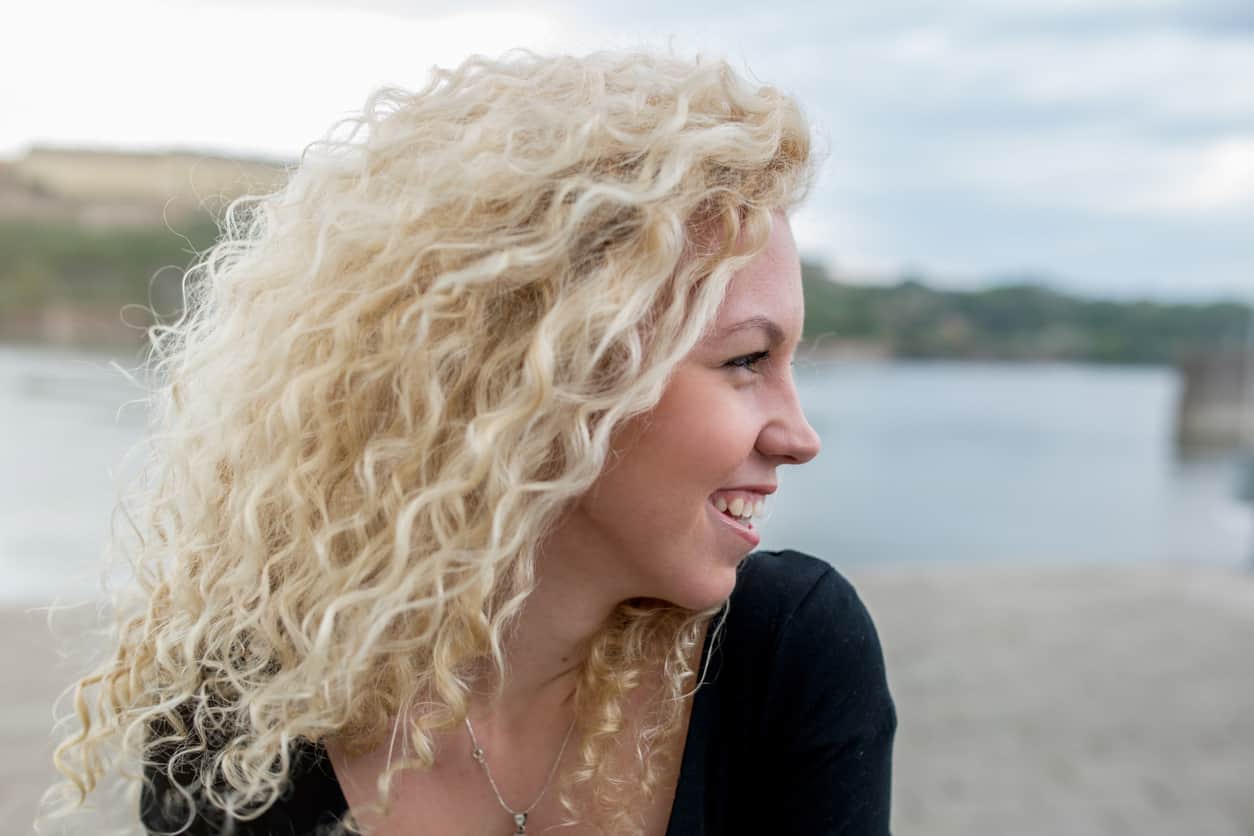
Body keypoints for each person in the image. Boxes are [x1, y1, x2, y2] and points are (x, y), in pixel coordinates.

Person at [46, 47, 896, 835]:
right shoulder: (239, 716)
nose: (800, 436)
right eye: (747, 359)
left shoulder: (785, 655)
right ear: (546, 371)